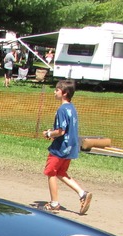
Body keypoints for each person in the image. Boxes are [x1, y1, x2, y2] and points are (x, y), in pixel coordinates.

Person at [40, 79, 93, 214]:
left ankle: (54, 203)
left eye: (57, 90)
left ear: (64, 93)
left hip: (60, 148)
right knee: (61, 173)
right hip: (70, 146)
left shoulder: (62, 109)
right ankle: (82, 193)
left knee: (51, 172)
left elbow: (61, 131)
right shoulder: (72, 108)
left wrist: (49, 133)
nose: (54, 92)